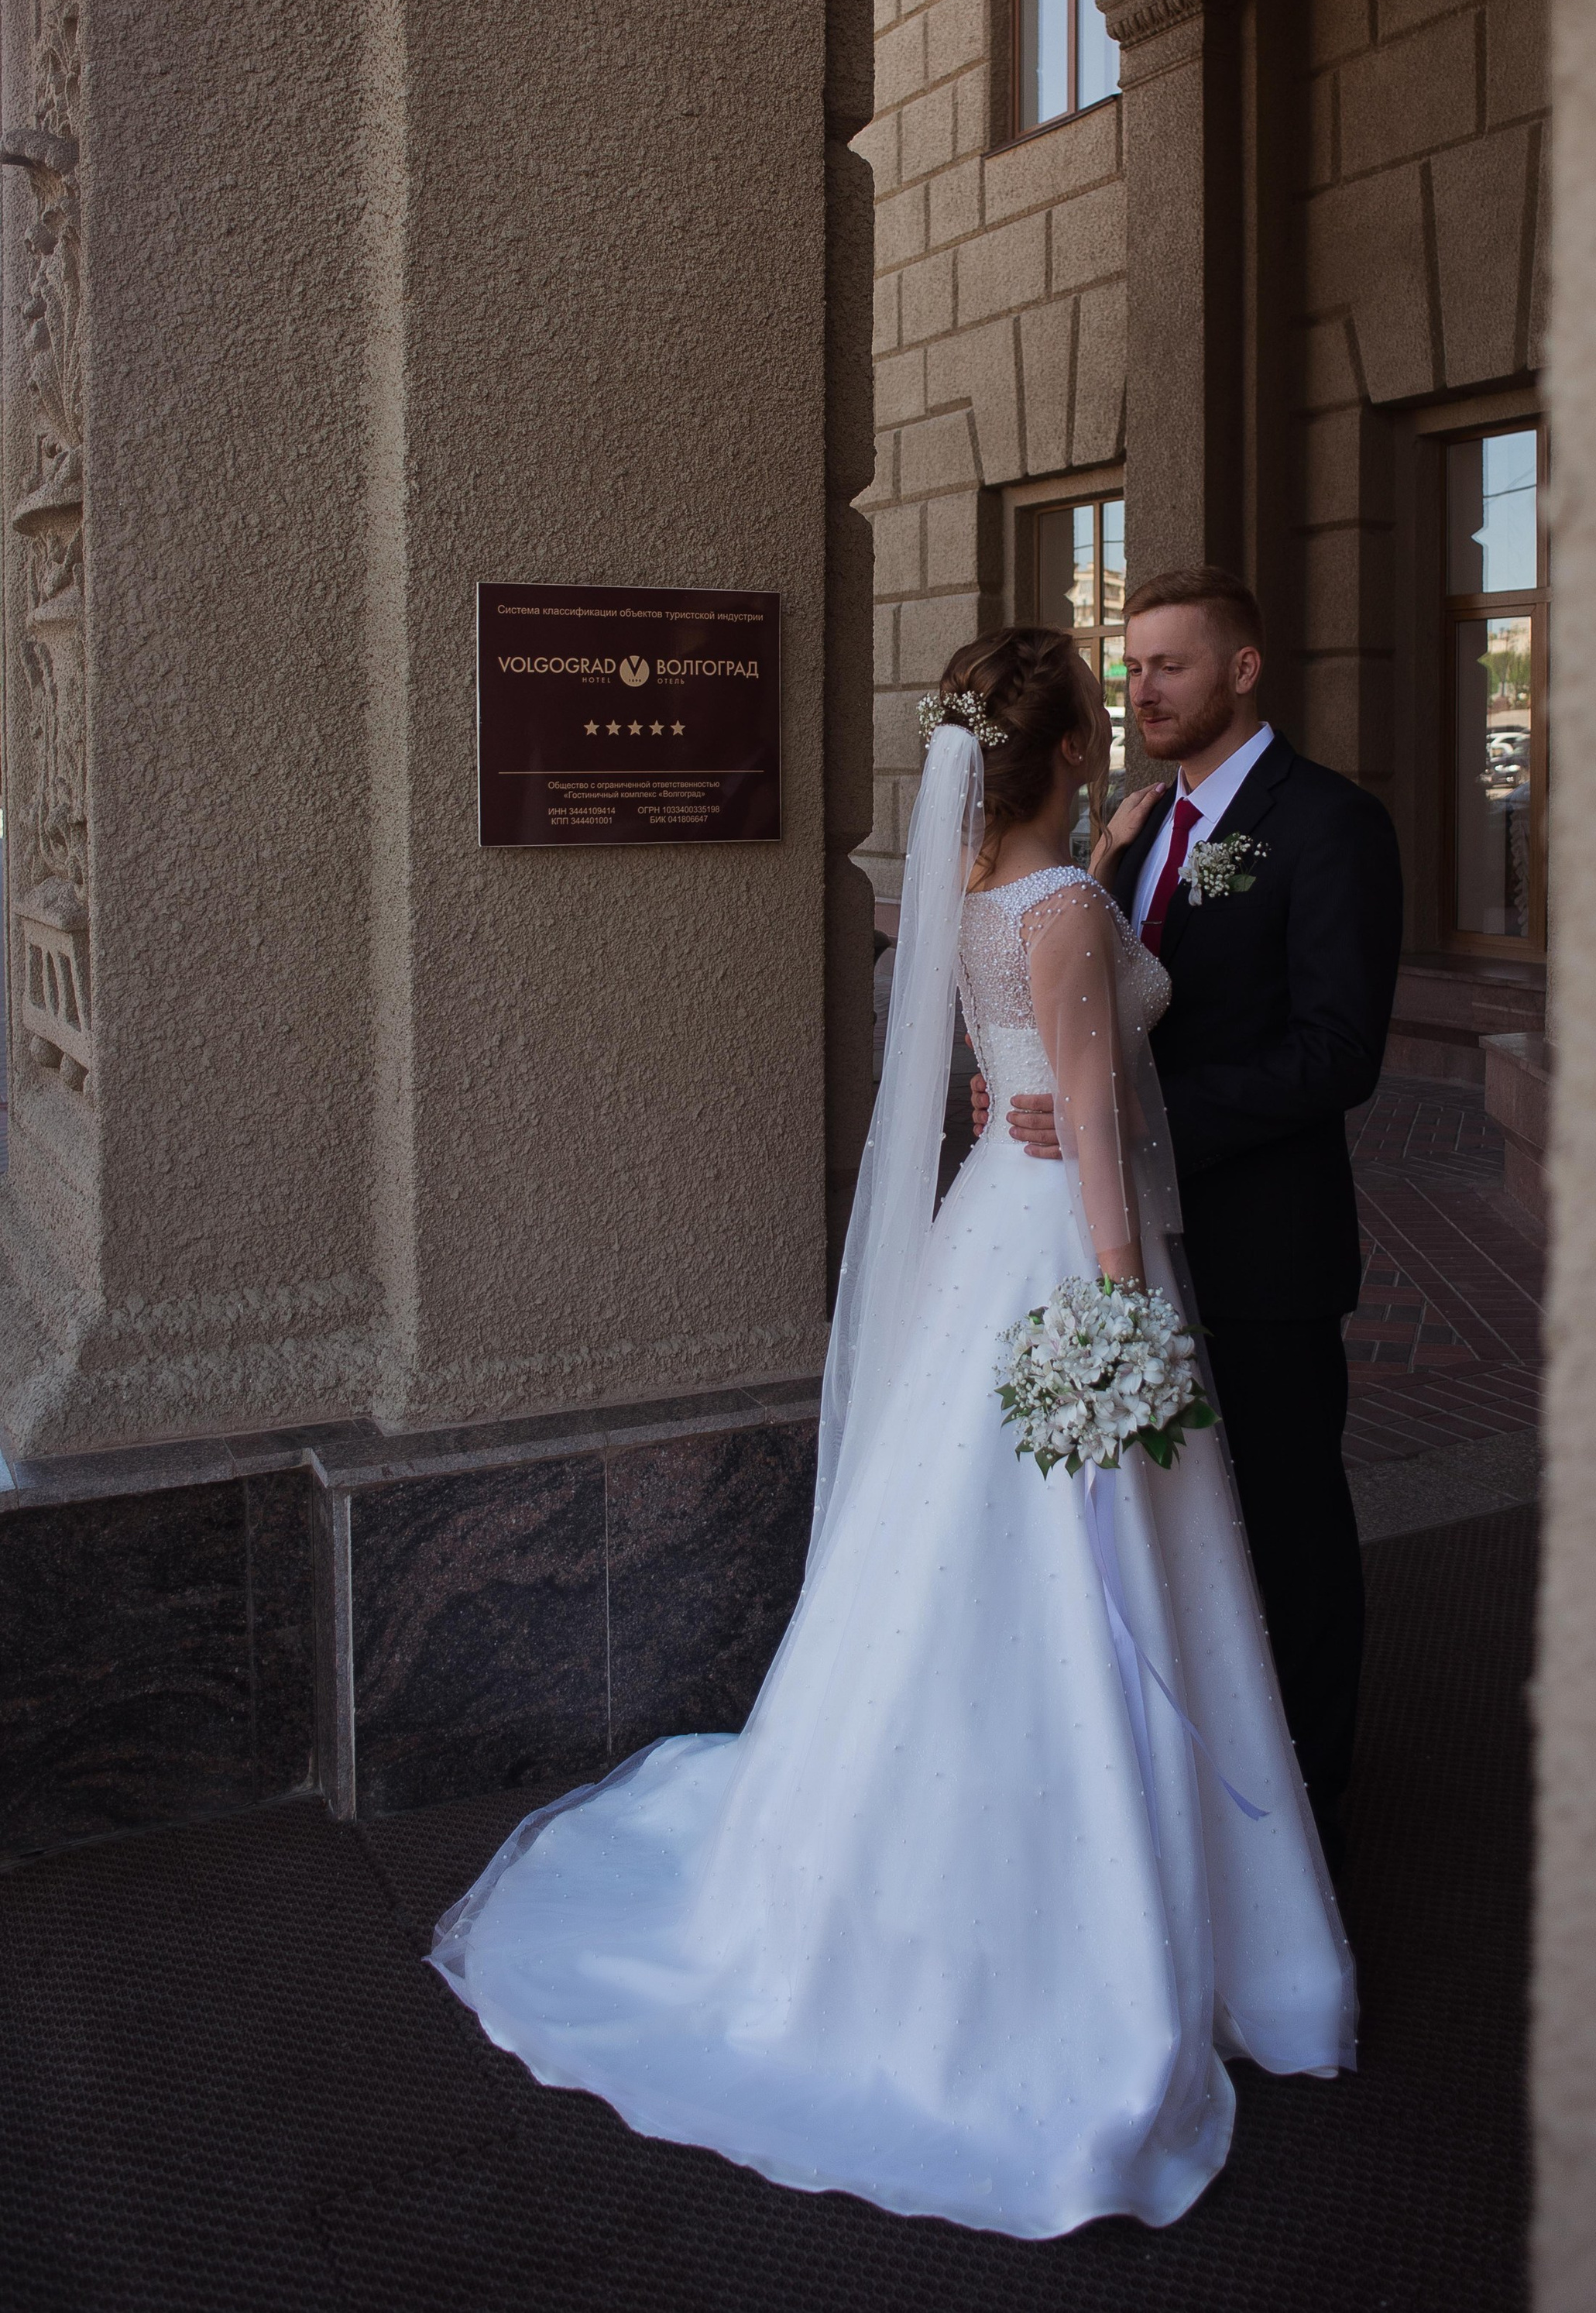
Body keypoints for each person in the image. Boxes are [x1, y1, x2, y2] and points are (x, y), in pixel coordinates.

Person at [430, 626, 1354, 2239]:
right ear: (1070, 753)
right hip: (1059, 1247)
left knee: (945, 1565)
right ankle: (1112, 1926)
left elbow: (1022, 1071)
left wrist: (1111, 861)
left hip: (980, 1230)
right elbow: (1091, 1126)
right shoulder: (1061, 909)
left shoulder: (978, 903)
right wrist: (1126, 1325)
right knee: (1095, 1574)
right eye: (1100, 708)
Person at [980, 571, 1402, 1868]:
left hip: (1260, 1244)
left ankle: (1313, 1804)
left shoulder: (1330, 824)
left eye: (1172, 664)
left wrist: (1137, 1118)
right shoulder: (1134, 826)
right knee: (1175, 1538)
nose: (1145, 688)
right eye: (1134, 666)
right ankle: (1186, 1787)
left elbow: (1339, 1056)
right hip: (1127, 1234)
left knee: (1286, 1524)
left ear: (1243, 670)